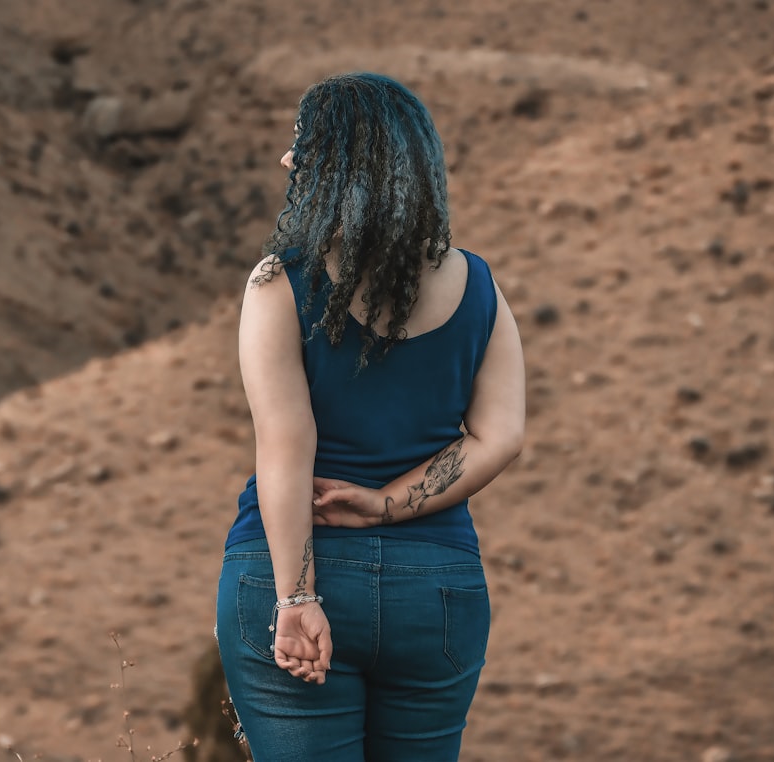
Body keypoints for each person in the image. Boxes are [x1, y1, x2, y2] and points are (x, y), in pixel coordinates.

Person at [215, 72, 525, 762]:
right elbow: (501, 436)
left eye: (303, 145)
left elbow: (287, 450)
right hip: (437, 592)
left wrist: (297, 597)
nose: (288, 160)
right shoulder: (477, 286)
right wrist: (385, 506)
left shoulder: (280, 284)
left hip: (291, 570)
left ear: (336, 167)